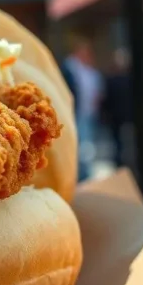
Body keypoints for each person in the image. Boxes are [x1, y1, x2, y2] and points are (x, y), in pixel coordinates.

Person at [60, 36, 103, 182]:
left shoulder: (87, 69)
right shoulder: (69, 68)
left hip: (88, 112)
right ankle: (81, 175)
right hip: (75, 113)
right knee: (80, 145)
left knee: (86, 144)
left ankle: (84, 173)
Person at [99, 48, 132, 169]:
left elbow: (105, 99)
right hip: (122, 116)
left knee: (120, 143)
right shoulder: (127, 80)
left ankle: (121, 163)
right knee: (123, 142)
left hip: (117, 117)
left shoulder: (112, 80)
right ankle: (124, 164)